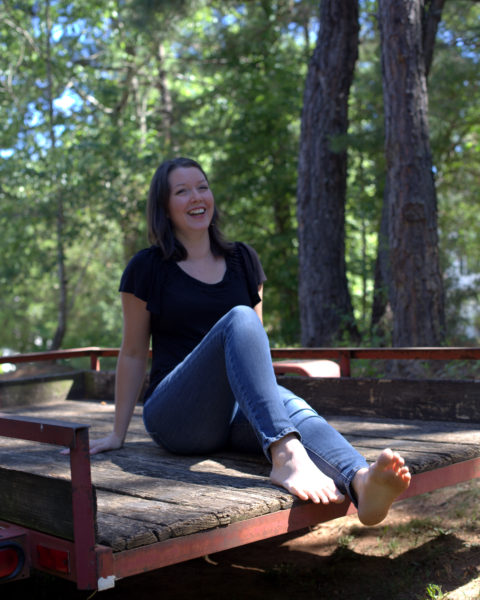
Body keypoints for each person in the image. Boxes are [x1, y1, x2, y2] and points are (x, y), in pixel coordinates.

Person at [89, 156, 411, 526]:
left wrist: (275, 402)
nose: (197, 196)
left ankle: (361, 480)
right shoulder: (146, 268)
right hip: (177, 415)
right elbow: (131, 354)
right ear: (164, 206)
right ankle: (287, 458)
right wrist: (118, 432)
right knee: (239, 319)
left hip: (234, 412)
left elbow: (255, 349)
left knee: (293, 407)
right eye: (182, 191)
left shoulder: (243, 260)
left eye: (202, 186)